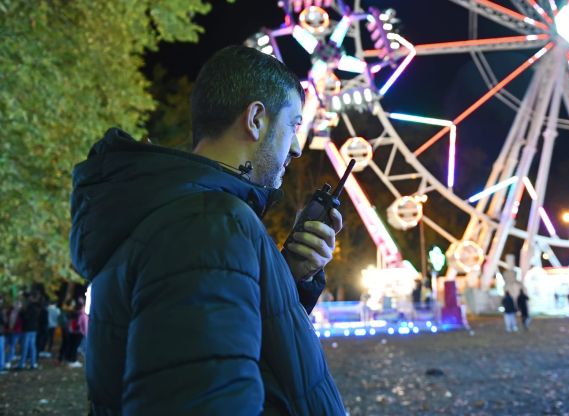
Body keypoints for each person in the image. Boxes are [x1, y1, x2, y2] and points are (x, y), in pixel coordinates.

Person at [69, 46, 346, 414]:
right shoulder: (207, 224)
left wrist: (288, 276)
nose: (296, 147)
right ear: (256, 119)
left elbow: (230, 352)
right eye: (293, 125)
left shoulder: (182, 215)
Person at [17, 292, 41, 370]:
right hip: (34, 329)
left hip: (27, 329)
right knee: (32, 346)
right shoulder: (37, 306)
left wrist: (21, 311)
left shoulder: (29, 307)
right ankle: (33, 363)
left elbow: (24, 316)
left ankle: (22, 364)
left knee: (25, 346)